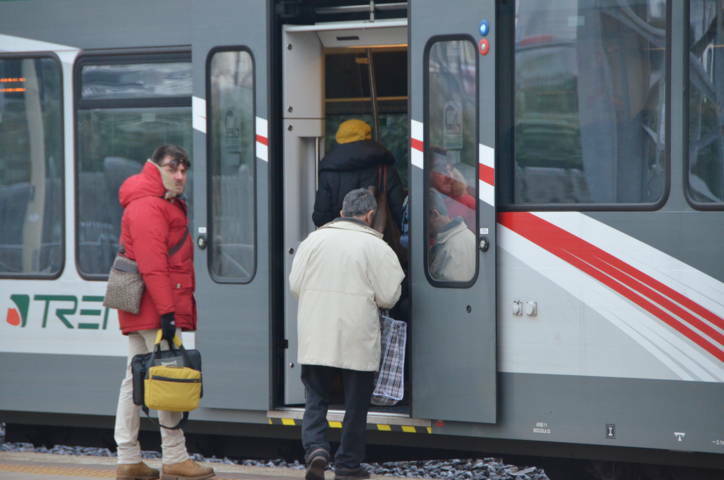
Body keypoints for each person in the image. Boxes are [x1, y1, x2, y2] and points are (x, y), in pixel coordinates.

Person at [113, 145, 214, 480]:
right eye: (173, 168)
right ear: (154, 168)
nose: (180, 176)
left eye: (184, 169)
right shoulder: (148, 206)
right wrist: (168, 317)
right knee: (171, 374)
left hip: (150, 308)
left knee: (136, 379)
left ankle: (128, 459)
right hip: (155, 308)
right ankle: (174, 456)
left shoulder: (160, 203)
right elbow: (154, 265)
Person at [290, 188, 405, 480]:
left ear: (341, 213)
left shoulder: (312, 241)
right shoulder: (378, 248)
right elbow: (389, 297)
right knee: (356, 404)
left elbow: (295, 285)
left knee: (316, 396)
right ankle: (347, 464)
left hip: (317, 333)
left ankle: (315, 449)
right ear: (369, 215)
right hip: (358, 336)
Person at [312, 119, 405, 229]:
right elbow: (401, 214)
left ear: (339, 138)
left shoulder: (328, 171)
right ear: (367, 136)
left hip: (340, 240)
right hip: (377, 240)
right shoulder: (384, 169)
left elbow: (320, 218)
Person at [428, 189, 477, 283]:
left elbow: (454, 295)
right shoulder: (453, 237)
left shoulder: (455, 249)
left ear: (434, 215)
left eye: (423, 221)